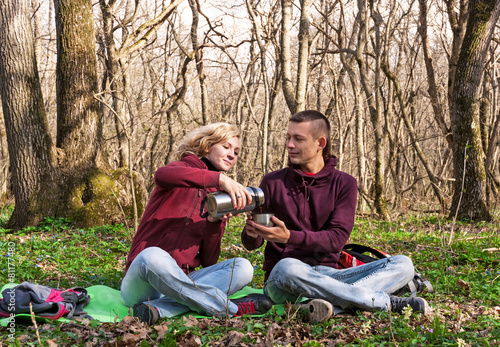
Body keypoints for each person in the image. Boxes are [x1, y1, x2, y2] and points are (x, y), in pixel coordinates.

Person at [242, 110, 431, 323]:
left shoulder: (344, 183)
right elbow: (252, 244)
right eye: (288, 137)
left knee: (403, 264)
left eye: (298, 139)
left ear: (320, 143)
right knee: (288, 266)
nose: (289, 144)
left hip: (331, 276)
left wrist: (289, 237)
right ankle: (382, 302)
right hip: (286, 281)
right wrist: (252, 233)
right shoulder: (272, 182)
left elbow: (336, 240)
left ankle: (329, 305)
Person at [121, 123, 273, 325]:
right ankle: (232, 309)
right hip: (143, 282)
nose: (232, 155)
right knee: (153, 255)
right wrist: (221, 179)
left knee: (243, 267)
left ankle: (158, 310)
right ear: (207, 145)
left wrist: (213, 223)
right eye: (226, 147)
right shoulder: (180, 170)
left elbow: (209, 261)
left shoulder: (218, 199)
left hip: (182, 282)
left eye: (236, 152)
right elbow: (162, 175)